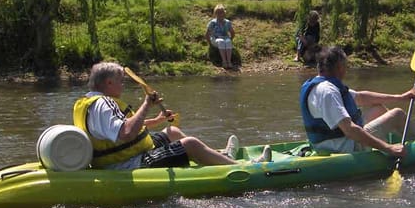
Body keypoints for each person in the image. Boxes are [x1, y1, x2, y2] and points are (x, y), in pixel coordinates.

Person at [73, 62, 270, 170]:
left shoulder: (92, 102)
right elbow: (125, 132)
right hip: (125, 164)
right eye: (120, 82)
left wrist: (157, 121)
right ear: (108, 83)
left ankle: (221, 157)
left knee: (172, 131)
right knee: (189, 144)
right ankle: (242, 168)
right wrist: (146, 104)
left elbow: (118, 129)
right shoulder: (103, 104)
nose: (122, 86)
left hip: (129, 153)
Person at [299, 46, 415, 157]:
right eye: (345, 66)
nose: (346, 70)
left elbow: (361, 97)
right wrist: (388, 148)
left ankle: (400, 138)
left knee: (378, 109)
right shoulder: (328, 92)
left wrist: (400, 97)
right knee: (397, 114)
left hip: (334, 141)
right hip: (343, 147)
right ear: (339, 67)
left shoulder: (321, 85)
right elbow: (349, 129)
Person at [205, 4, 235, 69]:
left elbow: (232, 32)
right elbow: (207, 34)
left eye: (221, 13)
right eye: (218, 13)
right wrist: (210, 44)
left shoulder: (227, 22)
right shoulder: (212, 22)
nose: (220, 15)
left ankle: (229, 62)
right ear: (215, 14)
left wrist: (231, 39)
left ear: (224, 13)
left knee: (228, 42)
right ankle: (224, 61)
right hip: (215, 38)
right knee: (221, 41)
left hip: (225, 38)